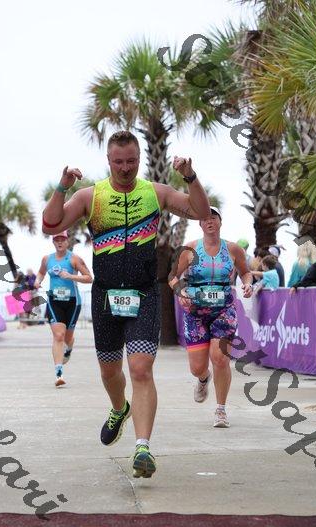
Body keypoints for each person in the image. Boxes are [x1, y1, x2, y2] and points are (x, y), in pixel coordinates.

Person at [42, 130, 211, 478]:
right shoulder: (91, 196)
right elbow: (50, 223)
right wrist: (62, 187)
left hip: (144, 294)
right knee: (110, 372)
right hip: (105, 296)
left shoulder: (155, 193)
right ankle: (120, 409)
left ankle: (142, 448)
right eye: (118, 162)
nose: (125, 168)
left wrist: (190, 176)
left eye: (131, 161)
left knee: (140, 370)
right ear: (108, 161)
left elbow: (200, 211)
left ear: (140, 159)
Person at [169, 206, 253, 428]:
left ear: (220, 222)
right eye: (205, 218)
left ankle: (221, 410)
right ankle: (203, 378)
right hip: (195, 312)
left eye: (214, 217)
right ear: (200, 224)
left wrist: (247, 284)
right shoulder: (190, 250)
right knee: (197, 367)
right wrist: (180, 292)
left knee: (220, 358)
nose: (209, 221)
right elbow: (173, 276)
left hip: (224, 311)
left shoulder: (233, 249)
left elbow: (245, 272)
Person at [34, 231, 93, 386]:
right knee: (58, 336)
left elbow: (89, 278)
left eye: (62, 240)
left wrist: (71, 276)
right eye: (56, 240)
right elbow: (41, 272)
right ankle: (59, 374)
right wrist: (37, 281)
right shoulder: (47, 259)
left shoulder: (74, 259)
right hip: (54, 301)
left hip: (73, 302)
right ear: (53, 242)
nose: (59, 242)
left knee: (67, 338)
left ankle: (69, 346)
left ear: (67, 242)